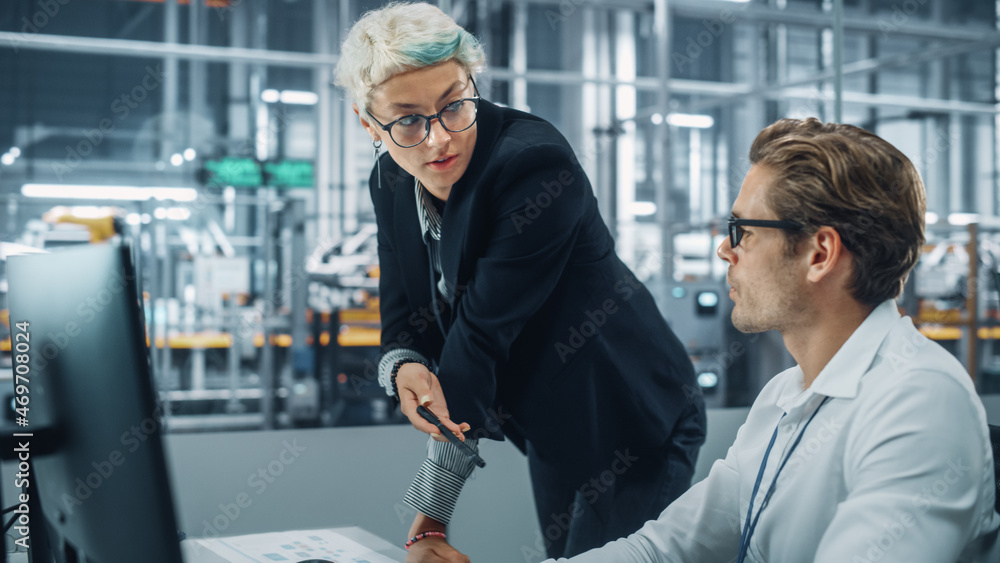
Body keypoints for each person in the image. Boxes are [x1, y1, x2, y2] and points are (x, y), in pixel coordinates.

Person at [334, 2, 706, 561]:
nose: (439, 139)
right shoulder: (390, 177)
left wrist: (430, 519)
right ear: (369, 124)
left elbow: (479, 338)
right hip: (553, 423)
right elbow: (404, 316)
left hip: (635, 418)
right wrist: (403, 366)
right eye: (408, 119)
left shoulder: (533, 167)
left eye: (455, 104)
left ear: (473, 84)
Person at [545, 118, 1000, 562]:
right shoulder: (784, 396)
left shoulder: (919, 402)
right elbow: (666, 548)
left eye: (742, 230)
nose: (726, 249)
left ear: (819, 254)